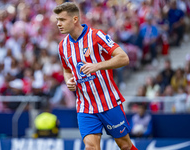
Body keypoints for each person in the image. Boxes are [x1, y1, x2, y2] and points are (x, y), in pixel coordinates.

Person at [53, 2, 138, 150]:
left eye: (62, 19)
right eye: (57, 20)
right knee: (91, 147)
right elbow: (67, 70)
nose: (58, 24)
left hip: (108, 101)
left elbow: (123, 58)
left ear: (74, 19)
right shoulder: (62, 46)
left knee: (124, 145)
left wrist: (97, 65)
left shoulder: (96, 36)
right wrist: (68, 81)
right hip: (85, 106)